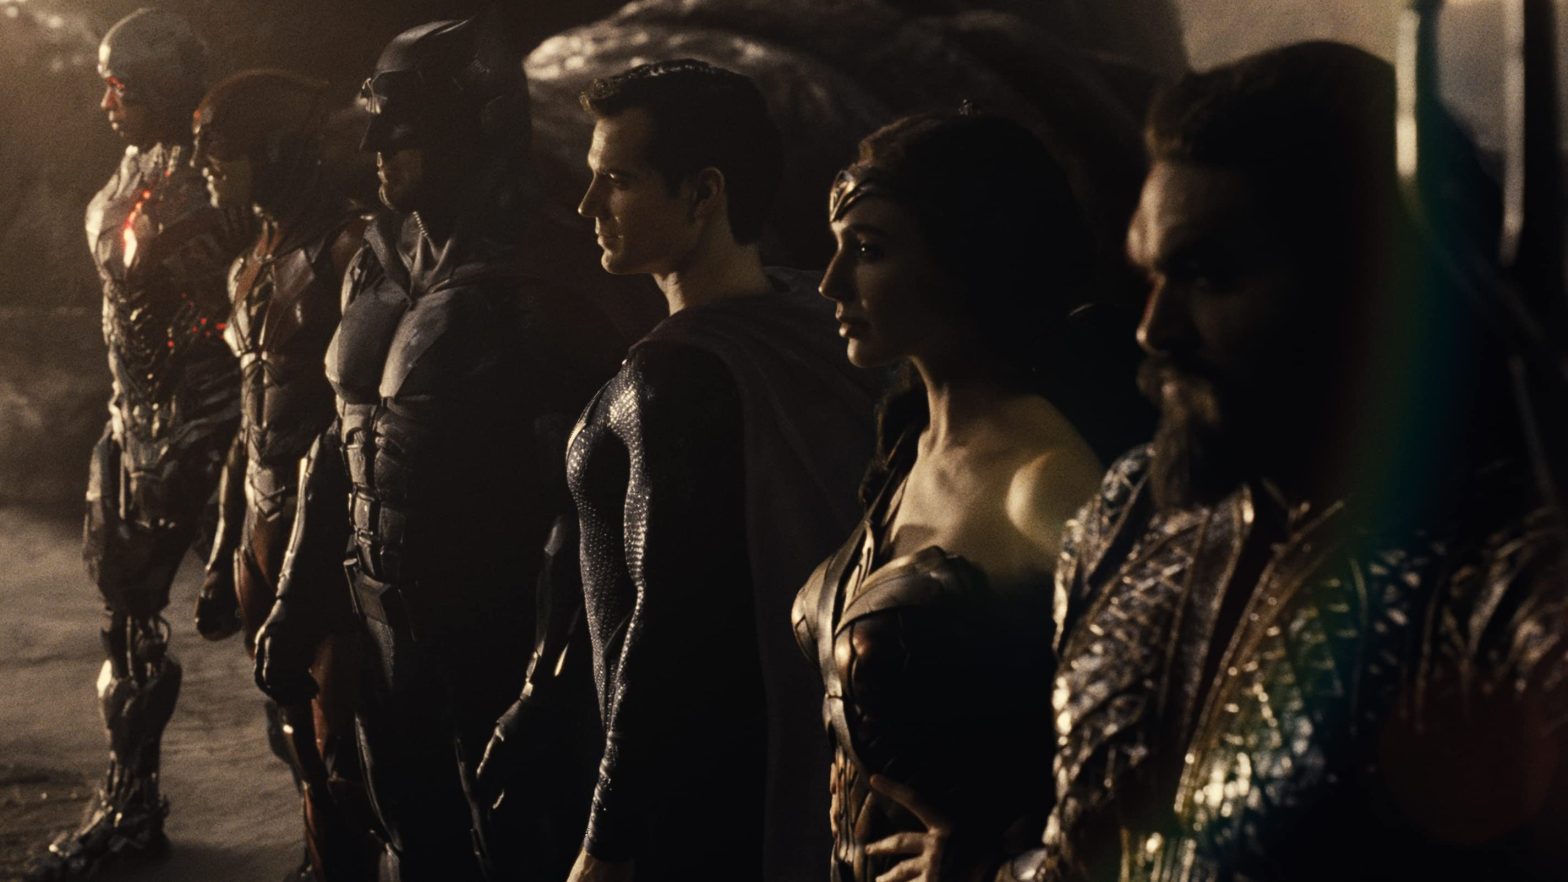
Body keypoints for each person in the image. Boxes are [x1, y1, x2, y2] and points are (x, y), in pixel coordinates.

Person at [999, 42, 1568, 882]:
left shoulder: (1505, 575)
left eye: (1208, 275)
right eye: (1151, 275)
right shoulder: (1127, 516)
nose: (1155, 330)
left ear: (1372, 282)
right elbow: (1088, 850)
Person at [251, 15, 623, 881]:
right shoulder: (372, 262)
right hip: (383, 634)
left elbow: (594, 503)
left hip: (496, 641)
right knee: (413, 848)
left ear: (475, 125)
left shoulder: (550, 272)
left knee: (518, 853)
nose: (373, 145)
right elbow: (336, 445)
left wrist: (546, 682)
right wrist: (298, 599)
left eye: (401, 125)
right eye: (374, 121)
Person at [793, 112, 1148, 882]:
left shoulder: (1045, 480)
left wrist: (1006, 864)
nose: (830, 282)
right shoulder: (909, 453)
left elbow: (1160, 740)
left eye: (869, 250)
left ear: (967, 261)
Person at [562, 59, 880, 882]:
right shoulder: (817, 317)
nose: (588, 205)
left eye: (617, 181)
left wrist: (604, 839)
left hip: (695, 797)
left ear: (704, 194)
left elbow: (664, 627)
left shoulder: (674, 380)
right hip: (796, 751)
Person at [27, 11, 248, 880]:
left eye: (119, 87)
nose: (107, 103)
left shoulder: (214, 182)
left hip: (217, 427)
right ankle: (130, 805)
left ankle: (339, 822)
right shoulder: (134, 170)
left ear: (160, 88)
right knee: (126, 626)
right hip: (137, 425)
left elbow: (245, 311)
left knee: (285, 629)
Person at [190, 69, 377, 881]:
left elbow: (357, 425)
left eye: (221, 151)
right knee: (293, 736)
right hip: (261, 528)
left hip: (331, 539)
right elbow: (248, 424)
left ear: (274, 151)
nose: (206, 167)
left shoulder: (351, 251)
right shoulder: (248, 264)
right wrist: (221, 552)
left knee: (348, 754)